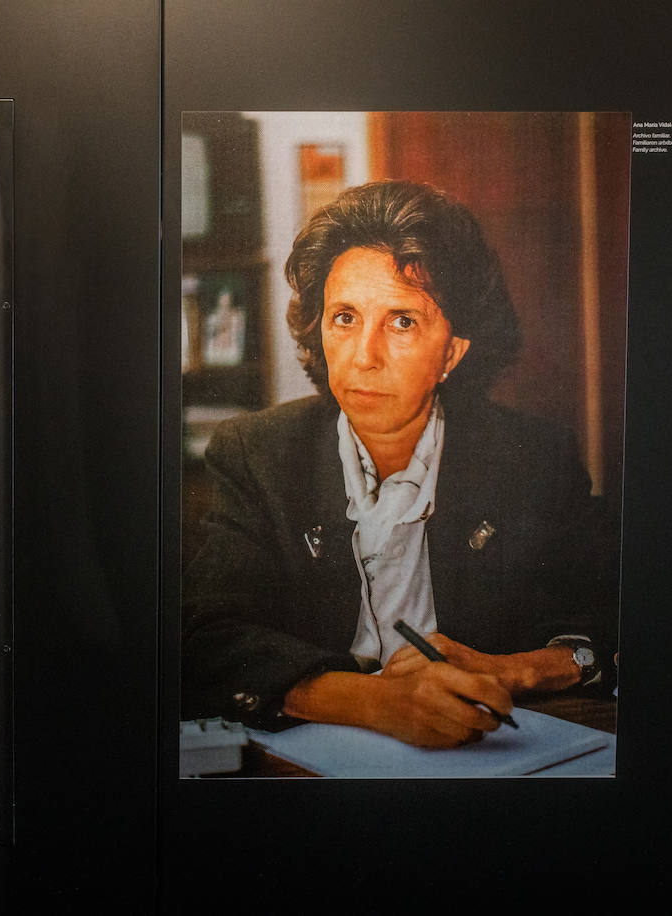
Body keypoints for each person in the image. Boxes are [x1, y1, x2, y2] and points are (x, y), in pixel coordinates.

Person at [181, 179, 617, 749]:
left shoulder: (533, 457)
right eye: (344, 318)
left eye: (403, 321)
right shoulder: (258, 453)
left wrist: (519, 669)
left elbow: (608, 615)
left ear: (452, 353)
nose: (364, 356)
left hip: (494, 751)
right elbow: (205, 638)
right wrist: (374, 701)